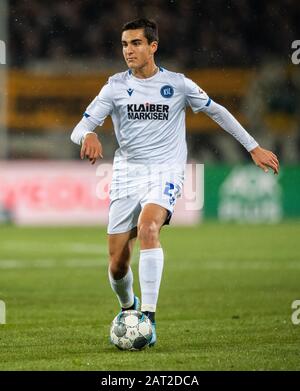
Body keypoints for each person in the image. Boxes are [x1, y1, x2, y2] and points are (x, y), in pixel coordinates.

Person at [70, 18, 279, 347]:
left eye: (136, 43)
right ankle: (129, 308)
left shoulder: (178, 84)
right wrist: (90, 134)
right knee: (117, 261)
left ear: (153, 47)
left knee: (149, 227)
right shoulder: (114, 87)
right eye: (124, 44)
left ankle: (148, 320)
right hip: (128, 173)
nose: (129, 50)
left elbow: (218, 111)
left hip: (166, 170)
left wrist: (252, 147)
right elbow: (78, 128)